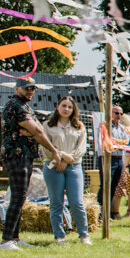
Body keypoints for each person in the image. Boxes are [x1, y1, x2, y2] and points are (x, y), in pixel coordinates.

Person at [0, 80, 63, 250]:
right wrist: (54, 150)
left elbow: (34, 130)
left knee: (20, 196)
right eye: (26, 88)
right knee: (18, 196)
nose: (30, 91)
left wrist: (31, 132)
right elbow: (37, 131)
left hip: (23, 154)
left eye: (32, 89)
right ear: (16, 88)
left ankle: (14, 237)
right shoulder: (16, 105)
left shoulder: (23, 106)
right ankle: (6, 241)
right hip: (17, 155)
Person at [41, 95, 90, 246]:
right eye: (64, 106)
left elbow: (81, 149)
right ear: (57, 107)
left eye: (69, 107)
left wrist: (68, 159)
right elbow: (45, 147)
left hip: (74, 167)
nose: (66, 109)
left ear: (73, 110)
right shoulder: (47, 126)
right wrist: (61, 156)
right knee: (56, 203)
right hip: (53, 166)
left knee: (76, 202)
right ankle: (59, 236)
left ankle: (84, 234)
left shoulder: (79, 126)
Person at [97, 104, 130, 216]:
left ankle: (108, 212)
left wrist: (117, 144)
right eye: (116, 113)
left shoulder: (122, 129)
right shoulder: (104, 126)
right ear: (110, 113)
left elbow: (126, 143)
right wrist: (115, 144)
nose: (119, 116)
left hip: (119, 158)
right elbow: (104, 143)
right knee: (105, 185)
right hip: (107, 158)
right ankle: (100, 212)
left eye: (121, 113)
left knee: (113, 186)